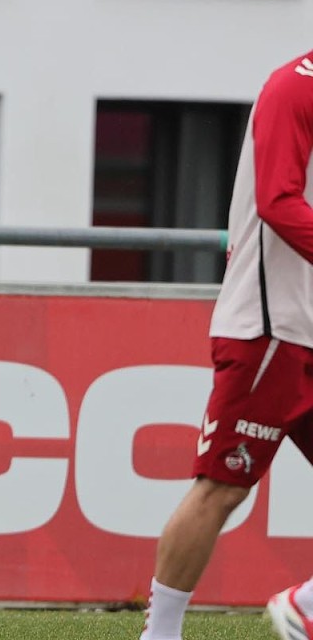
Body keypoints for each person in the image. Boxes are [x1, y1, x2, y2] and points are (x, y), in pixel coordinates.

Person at [140, 52, 313, 640]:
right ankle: (159, 635)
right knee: (222, 486)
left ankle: (307, 606)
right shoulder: (294, 87)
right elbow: (278, 200)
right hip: (273, 327)